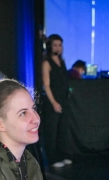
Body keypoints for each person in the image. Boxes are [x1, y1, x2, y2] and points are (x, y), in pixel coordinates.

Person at [41, 34, 72, 168]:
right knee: (52, 131)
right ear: (50, 46)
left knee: (62, 130)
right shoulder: (47, 63)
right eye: (55, 45)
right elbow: (46, 85)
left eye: (60, 45)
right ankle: (52, 159)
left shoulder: (62, 62)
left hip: (63, 100)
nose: (58, 48)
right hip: (52, 101)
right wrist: (53, 102)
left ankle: (61, 155)